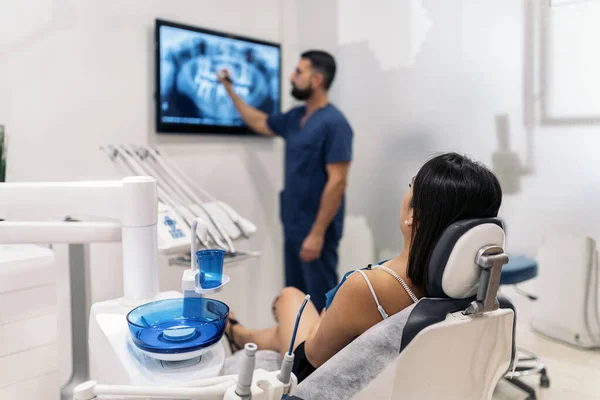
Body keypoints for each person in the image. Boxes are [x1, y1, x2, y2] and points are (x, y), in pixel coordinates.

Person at [223, 152, 503, 383]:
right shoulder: (475, 286)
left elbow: (314, 356)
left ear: (413, 216)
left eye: (410, 186)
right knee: (289, 307)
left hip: (311, 373)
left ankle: (238, 334)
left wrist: (325, 318)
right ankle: (241, 335)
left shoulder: (371, 287)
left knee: (289, 297)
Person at [218, 50, 353, 311]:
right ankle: (297, 350)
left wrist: (316, 234)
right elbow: (258, 121)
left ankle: (324, 353)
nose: (292, 77)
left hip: (317, 234)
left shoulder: (336, 124)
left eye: (298, 72)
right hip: (293, 226)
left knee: (320, 304)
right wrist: (229, 90)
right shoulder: (294, 118)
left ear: (316, 80)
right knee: (294, 299)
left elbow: (338, 182)